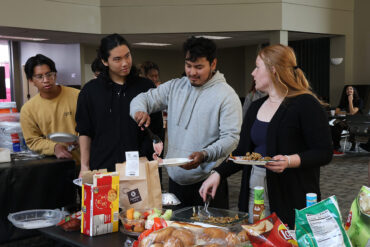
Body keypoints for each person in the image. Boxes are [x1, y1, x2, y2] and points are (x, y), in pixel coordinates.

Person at [199, 44, 333, 228]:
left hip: (291, 194)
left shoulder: (305, 103)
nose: (253, 73)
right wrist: (218, 174)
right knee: (257, 237)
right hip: (256, 191)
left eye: (257, 67)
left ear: (273, 70)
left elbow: (324, 152)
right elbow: (242, 152)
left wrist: (289, 160)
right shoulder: (255, 107)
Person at [130, 36, 242, 208]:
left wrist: (205, 154)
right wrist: (139, 111)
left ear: (213, 64)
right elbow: (143, 98)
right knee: (176, 233)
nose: (192, 72)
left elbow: (231, 139)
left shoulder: (226, 95)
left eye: (199, 67)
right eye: (188, 66)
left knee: (209, 234)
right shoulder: (176, 87)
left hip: (208, 182)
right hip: (175, 182)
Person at [75, 34, 162, 175]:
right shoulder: (90, 91)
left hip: (140, 167)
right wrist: (84, 166)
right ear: (104, 61)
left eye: (127, 56)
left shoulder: (145, 87)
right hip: (102, 167)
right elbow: (85, 131)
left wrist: (152, 158)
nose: (125, 63)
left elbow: (157, 130)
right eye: (117, 59)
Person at [20, 54, 80, 162]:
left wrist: (83, 139)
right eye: (39, 77)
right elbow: (32, 140)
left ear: (55, 75)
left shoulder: (79, 96)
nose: (46, 80)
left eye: (49, 75)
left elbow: (97, 124)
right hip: (54, 166)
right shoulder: (28, 110)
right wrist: (54, 147)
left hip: (87, 162)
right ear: (31, 81)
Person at [332, 85, 363, 153]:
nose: (349, 90)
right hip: (347, 121)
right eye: (347, 89)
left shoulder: (359, 101)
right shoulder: (344, 100)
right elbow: (336, 112)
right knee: (336, 126)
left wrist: (350, 101)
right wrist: (346, 113)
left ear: (354, 91)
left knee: (352, 127)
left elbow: (352, 112)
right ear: (346, 92)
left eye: (351, 89)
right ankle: (336, 145)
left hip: (357, 122)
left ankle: (353, 145)